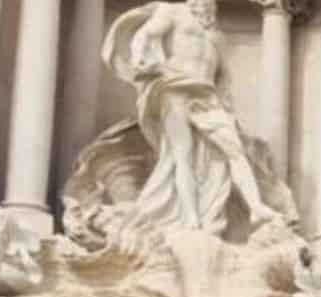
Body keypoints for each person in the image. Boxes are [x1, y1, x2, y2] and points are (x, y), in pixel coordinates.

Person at [102, 0, 279, 235]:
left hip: (206, 95)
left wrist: (226, 105)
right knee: (181, 155)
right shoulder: (173, 11)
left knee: (234, 150)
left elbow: (223, 77)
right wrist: (140, 62)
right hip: (174, 87)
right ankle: (191, 219)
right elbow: (145, 35)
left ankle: (256, 208)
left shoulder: (216, 35)